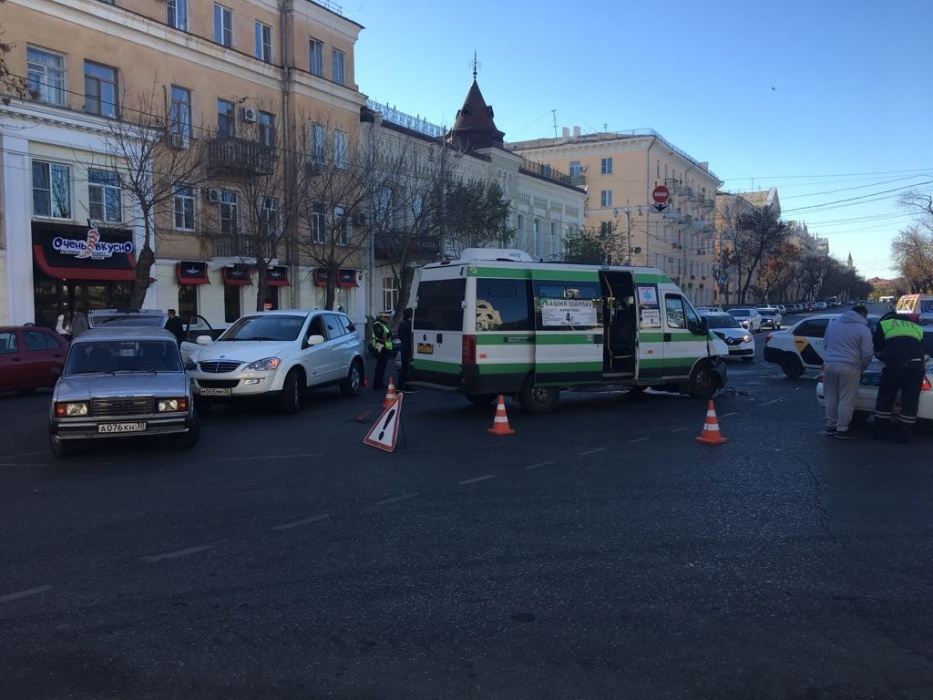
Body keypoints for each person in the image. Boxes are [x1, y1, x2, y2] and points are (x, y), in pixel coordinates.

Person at [872, 311, 925, 443]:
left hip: (896, 365)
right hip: (917, 366)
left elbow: (877, 346)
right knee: (910, 401)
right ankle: (904, 433)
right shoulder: (917, 328)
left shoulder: (885, 324)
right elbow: (920, 347)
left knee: (886, 396)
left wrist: (883, 355)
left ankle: (881, 430)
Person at [822, 304, 874, 439]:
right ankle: (842, 429)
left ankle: (830, 426)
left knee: (831, 397)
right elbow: (867, 352)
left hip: (830, 364)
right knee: (846, 399)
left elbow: (825, 344)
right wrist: (863, 366)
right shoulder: (863, 329)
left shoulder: (833, 324)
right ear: (863, 314)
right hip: (850, 366)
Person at [370, 311, 394, 390]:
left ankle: (380, 383)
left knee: (382, 366)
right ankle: (377, 384)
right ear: (382, 317)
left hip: (383, 347)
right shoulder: (377, 324)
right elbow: (381, 336)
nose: (388, 319)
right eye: (387, 318)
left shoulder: (383, 325)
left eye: (388, 318)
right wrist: (390, 334)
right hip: (379, 346)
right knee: (380, 366)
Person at [397, 307, 414, 391]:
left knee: (404, 367)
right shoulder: (410, 325)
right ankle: (404, 386)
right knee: (406, 368)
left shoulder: (402, 324)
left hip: (403, 346)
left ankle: (402, 385)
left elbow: (399, 335)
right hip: (408, 347)